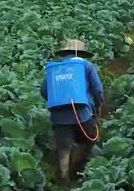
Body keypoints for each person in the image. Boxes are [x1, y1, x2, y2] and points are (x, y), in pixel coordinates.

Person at [40, 39, 104, 183]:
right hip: (83, 114)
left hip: (59, 117)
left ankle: (64, 179)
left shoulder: (55, 69)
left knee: (64, 147)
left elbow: (44, 91)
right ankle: (81, 167)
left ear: (64, 53)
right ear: (81, 53)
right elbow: (98, 89)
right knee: (91, 138)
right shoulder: (86, 66)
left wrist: (58, 102)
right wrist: (98, 105)